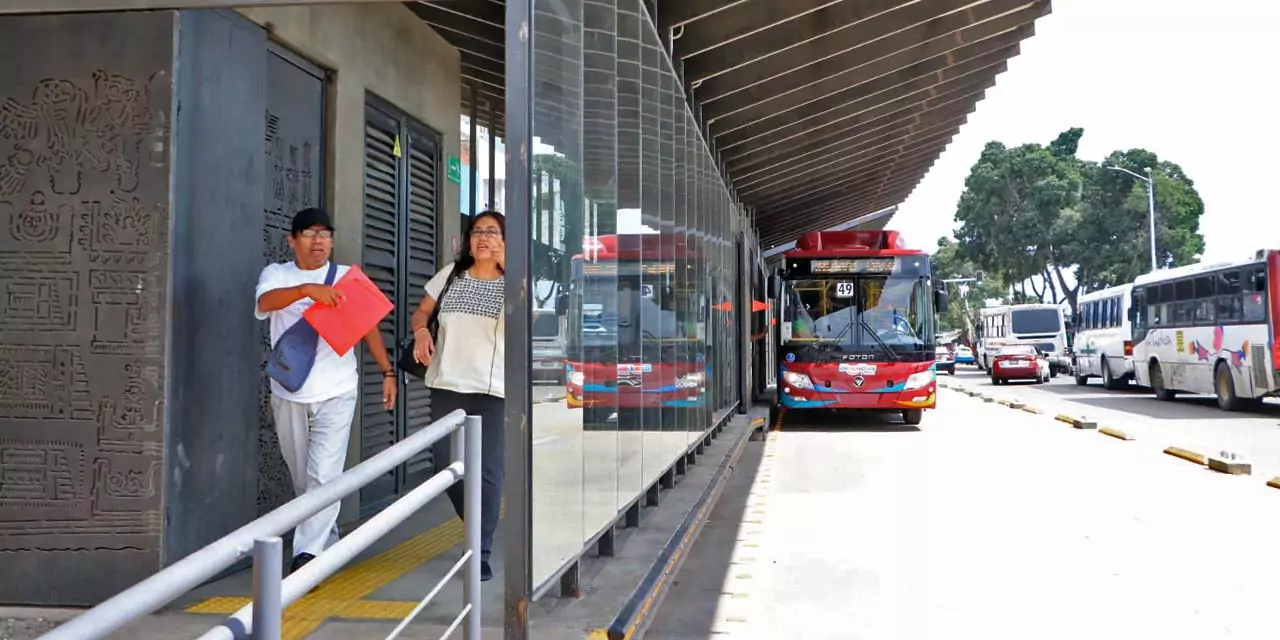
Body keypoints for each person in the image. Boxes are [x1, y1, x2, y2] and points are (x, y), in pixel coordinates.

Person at [254, 206, 397, 574]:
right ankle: (324, 537)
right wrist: (306, 290)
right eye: (309, 233)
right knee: (303, 476)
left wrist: (387, 371)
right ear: (292, 240)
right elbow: (264, 304)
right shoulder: (277, 274)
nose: (318, 240)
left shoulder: (348, 276)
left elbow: (368, 328)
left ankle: (307, 558)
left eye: (325, 233)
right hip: (289, 388)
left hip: (337, 388)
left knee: (324, 474)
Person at [410, 210, 505, 582]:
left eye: (493, 232)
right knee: (445, 467)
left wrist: (510, 270)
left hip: (491, 388)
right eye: (478, 231)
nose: (484, 238)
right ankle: (477, 522)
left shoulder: (514, 283)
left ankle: (479, 551)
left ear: (504, 240)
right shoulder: (450, 276)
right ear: (468, 239)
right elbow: (422, 312)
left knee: (489, 473)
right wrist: (420, 331)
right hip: (447, 383)